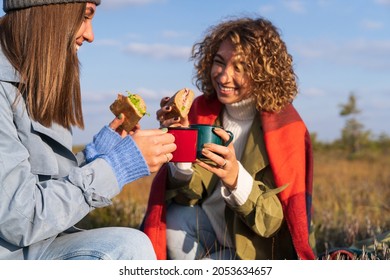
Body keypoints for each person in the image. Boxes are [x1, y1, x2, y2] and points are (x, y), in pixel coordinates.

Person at [0, 0, 176, 260]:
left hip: (31, 247)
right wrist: (116, 167)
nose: (91, 35)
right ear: (51, 12)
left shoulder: (32, 87)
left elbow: (41, 191)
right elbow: (18, 219)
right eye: (85, 15)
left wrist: (96, 156)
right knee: (128, 248)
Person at [142, 16, 316, 260]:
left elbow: (273, 222)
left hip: (254, 247)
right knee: (174, 218)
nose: (224, 77)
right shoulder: (203, 111)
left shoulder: (286, 129)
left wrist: (235, 178)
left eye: (240, 68)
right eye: (219, 62)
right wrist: (181, 143)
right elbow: (187, 196)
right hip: (211, 228)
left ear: (263, 73)